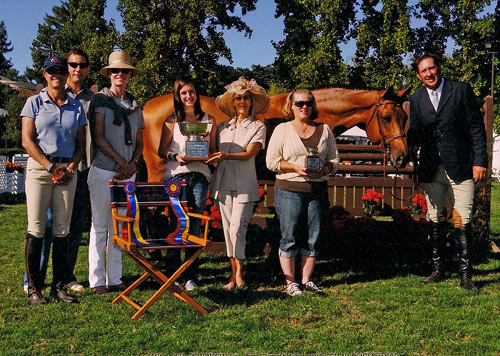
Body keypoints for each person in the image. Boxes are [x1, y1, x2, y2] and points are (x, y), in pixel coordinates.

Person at [407, 53, 487, 292]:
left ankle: (466, 276)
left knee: (462, 218)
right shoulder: (416, 99)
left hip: (461, 166)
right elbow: (416, 132)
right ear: (419, 76)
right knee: (435, 218)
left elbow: (476, 128)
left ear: (438, 68)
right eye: (424, 71)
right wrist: (407, 146)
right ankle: (438, 270)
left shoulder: (460, 90)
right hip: (431, 168)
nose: (429, 74)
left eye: (432, 68)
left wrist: (480, 161)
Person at [21, 56, 87, 305]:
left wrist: (69, 167)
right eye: (52, 71)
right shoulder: (33, 103)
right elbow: (27, 141)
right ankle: (34, 288)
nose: (57, 75)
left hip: (68, 169)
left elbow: (81, 145)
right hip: (41, 169)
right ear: (45, 75)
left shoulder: (76, 107)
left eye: (61, 70)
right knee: (37, 229)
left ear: (66, 74)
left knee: (62, 230)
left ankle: (58, 287)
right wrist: (50, 167)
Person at [266, 89, 339, 296]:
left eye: (307, 103)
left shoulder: (324, 130)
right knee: (289, 236)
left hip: (317, 190)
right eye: (299, 103)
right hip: (289, 189)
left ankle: (307, 280)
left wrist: (325, 169)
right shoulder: (282, 129)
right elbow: (271, 162)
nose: (303, 107)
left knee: (313, 237)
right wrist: (295, 168)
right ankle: (290, 282)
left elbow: (335, 160)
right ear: (291, 106)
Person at [87, 51, 144, 295]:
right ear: (109, 75)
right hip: (103, 171)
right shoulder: (100, 101)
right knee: (100, 226)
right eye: (114, 71)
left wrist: (133, 164)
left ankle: (115, 277)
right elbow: (98, 137)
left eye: (124, 71)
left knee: (119, 227)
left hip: (127, 173)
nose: (119, 74)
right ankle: (97, 280)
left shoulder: (135, 104)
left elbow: (140, 141)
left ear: (130, 75)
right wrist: (122, 162)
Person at [207, 77, 268, 290]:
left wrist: (226, 156)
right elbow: (211, 151)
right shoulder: (222, 126)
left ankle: (240, 275)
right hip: (222, 183)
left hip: (244, 183)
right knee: (227, 230)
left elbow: (250, 153)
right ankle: (232, 276)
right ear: (233, 102)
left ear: (251, 102)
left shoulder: (258, 127)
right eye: (238, 98)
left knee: (237, 229)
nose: (242, 102)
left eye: (246, 98)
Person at [157, 77, 216, 291]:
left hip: (200, 176)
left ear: (197, 94)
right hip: (176, 177)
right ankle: (175, 274)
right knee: (176, 225)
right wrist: (175, 156)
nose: (188, 96)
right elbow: (161, 150)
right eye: (184, 93)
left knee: (196, 225)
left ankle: (191, 275)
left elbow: (214, 150)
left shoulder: (209, 121)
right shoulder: (171, 120)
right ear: (178, 96)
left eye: (191, 92)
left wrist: (209, 157)